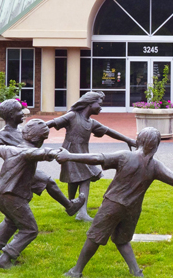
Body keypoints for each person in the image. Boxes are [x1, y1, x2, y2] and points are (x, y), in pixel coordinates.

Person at [58, 127, 173, 278]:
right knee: (122, 240)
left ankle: (76, 271)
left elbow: (97, 158)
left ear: (138, 140)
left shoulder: (125, 156)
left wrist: (70, 156)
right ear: (156, 145)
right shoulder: (155, 166)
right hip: (133, 209)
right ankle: (136, 272)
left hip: (113, 204)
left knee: (94, 237)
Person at [0, 98, 86, 255]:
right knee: (27, 225)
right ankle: (6, 256)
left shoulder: (22, 130)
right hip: (17, 173)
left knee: (14, 216)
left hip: (24, 170)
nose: (24, 113)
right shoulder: (2, 134)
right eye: (19, 111)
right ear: (11, 115)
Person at [0, 119, 61, 269]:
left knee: (11, 221)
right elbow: (37, 153)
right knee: (30, 229)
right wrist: (53, 153)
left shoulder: (10, 150)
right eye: (43, 139)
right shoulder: (28, 152)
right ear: (38, 139)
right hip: (13, 197)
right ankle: (5, 259)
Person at [46, 91, 137, 222]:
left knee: (75, 178)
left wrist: (129, 140)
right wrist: (35, 128)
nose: (101, 107)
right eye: (99, 104)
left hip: (82, 151)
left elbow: (109, 131)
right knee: (84, 178)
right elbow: (53, 123)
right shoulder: (72, 116)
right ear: (89, 103)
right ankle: (81, 212)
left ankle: (71, 204)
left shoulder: (91, 122)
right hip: (69, 151)